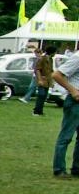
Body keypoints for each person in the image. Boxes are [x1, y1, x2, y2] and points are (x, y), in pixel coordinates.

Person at [49, 47, 79, 177]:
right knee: (66, 136)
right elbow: (56, 75)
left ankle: (77, 169)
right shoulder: (78, 57)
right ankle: (59, 169)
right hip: (75, 102)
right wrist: (73, 91)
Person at [34, 46, 56, 117]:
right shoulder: (42, 58)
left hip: (48, 80)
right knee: (41, 95)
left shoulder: (51, 59)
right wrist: (40, 79)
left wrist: (52, 81)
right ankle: (36, 111)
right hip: (42, 79)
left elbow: (51, 70)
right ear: (52, 52)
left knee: (44, 96)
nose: (55, 53)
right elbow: (37, 70)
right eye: (55, 52)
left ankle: (40, 111)